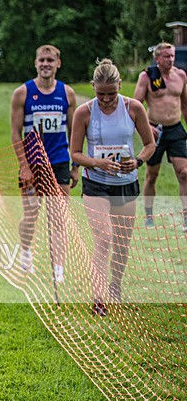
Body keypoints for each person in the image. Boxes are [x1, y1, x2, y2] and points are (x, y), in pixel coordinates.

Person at [70, 59, 155, 316]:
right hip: (95, 184)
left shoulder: (134, 108)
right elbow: (75, 153)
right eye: (100, 94)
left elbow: (150, 145)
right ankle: (98, 299)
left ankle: (115, 285)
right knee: (103, 239)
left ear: (119, 85)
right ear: (93, 88)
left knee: (121, 243)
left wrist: (137, 161)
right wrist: (98, 162)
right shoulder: (84, 113)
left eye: (111, 94)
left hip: (126, 185)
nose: (106, 100)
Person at [10, 44, 78, 282]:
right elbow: (14, 133)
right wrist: (24, 165)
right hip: (33, 164)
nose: (45, 64)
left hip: (59, 163)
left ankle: (58, 269)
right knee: (31, 215)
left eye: (50, 60)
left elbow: (74, 133)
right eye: (42, 60)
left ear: (58, 63)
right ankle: (26, 252)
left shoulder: (67, 94)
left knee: (59, 217)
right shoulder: (23, 93)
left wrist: (75, 166)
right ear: (35, 63)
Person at [133, 42, 187, 229]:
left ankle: (186, 217)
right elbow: (136, 106)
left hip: (175, 129)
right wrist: (147, 126)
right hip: (155, 130)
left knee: (184, 173)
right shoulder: (147, 77)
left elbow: (185, 104)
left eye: (172, 56)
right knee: (152, 175)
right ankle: (149, 216)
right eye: (166, 56)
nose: (170, 59)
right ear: (157, 58)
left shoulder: (181, 75)